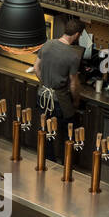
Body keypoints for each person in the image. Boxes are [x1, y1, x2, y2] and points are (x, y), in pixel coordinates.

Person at [35, 18, 84, 164]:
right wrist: (76, 101)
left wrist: (44, 82)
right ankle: (66, 163)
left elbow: (36, 67)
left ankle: (47, 161)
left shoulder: (47, 44)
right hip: (59, 100)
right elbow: (74, 84)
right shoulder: (73, 56)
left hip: (42, 96)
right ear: (76, 35)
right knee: (70, 130)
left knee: (46, 130)